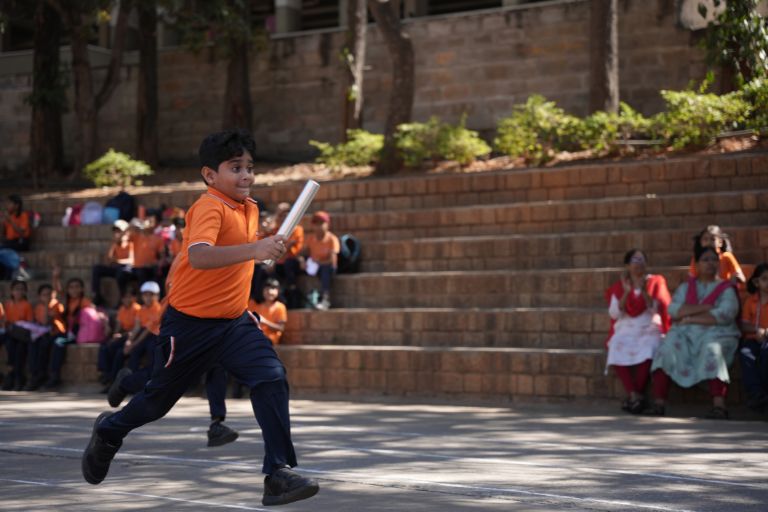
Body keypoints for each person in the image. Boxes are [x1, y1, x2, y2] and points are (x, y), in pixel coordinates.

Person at [82, 129, 319, 506]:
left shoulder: (250, 207)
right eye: (235, 168)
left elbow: (240, 257)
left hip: (233, 322)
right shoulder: (209, 206)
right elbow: (200, 256)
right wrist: (256, 248)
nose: (246, 176)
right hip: (189, 324)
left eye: (250, 168)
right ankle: (110, 430)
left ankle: (277, 474)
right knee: (157, 402)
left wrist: (265, 249)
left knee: (271, 377)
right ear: (210, 175)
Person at [649, 245, 741, 419]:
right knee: (666, 348)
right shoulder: (686, 288)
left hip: (717, 331)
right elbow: (673, 310)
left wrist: (691, 317)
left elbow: (725, 314)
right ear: (697, 264)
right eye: (705, 260)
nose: (710, 263)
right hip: (685, 332)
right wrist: (705, 307)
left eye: (714, 260)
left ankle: (719, 405)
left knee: (712, 349)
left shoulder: (726, 288)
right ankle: (659, 402)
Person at [605, 249, 671, 414]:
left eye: (642, 260)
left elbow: (658, 307)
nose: (639, 263)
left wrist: (644, 291)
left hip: (649, 325)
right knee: (616, 346)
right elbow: (615, 313)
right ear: (627, 265)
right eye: (635, 260)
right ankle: (634, 395)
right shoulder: (619, 287)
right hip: (626, 326)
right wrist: (627, 292)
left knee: (650, 348)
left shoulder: (655, 282)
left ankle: (636, 397)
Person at [44, 271, 92, 389]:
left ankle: (55, 376)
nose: (74, 290)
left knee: (58, 343)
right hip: (66, 332)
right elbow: (57, 292)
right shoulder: (67, 301)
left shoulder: (85, 302)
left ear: (82, 289)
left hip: (77, 334)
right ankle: (41, 374)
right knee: (45, 341)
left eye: (77, 287)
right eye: (71, 287)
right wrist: (55, 277)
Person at [22, 284, 65, 391]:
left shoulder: (57, 305)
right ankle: (35, 375)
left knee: (49, 345)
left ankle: (51, 376)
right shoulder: (37, 308)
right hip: (44, 334)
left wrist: (47, 306)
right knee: (33, 346)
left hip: (58, 333)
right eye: (44, 295)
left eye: (49, 294)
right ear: (39, 296)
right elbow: (40, 323)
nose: (47, 297)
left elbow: (47, 321)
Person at [738, 263, 768, 412]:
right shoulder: (751, 301)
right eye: (765, 279)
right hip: (753, 338)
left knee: (766, 353)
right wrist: (758, 331)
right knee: (746, 354)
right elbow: (744, 325)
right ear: (756, 282)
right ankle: (756, 394)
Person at [97, 289, 141, 390]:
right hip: (123, 336)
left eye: (129, 297)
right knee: (104, 348)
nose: (126, 299)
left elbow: (135, 329)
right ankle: (105, 374)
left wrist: (121, 336)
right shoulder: (122, 309)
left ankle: (110, 379)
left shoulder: (137, 309)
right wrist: (116, 334)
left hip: (132, 337)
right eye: (124, 297)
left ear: (134, 298)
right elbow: (118, 325)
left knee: (118, 353)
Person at [91, 219, 134, 307]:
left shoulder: (131, 243)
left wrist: (118, 261)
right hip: (116, 268)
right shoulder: (115, 244)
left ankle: (122, 300)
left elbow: (131, 260)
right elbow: (109, 260)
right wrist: (114, 244)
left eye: (119, 231)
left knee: (121, 274)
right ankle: (97, 296)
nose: (117, 233)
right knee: (97, 269)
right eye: (115, 231)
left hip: (126, 269)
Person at [302, 210, 339, 311]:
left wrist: (318, 263)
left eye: (321, 223)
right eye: (316, 224)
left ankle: (325, 299)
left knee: (326, 270)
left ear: (327, 224)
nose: (318, 226)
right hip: (315, 266)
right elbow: (302, 253)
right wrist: (302, 261)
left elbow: (332, 261)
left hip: (326, 266)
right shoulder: (310, 239)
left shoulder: (332, 239)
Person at [1, 279, 33, 390]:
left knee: (19, 350)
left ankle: (18, 377)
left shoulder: (27, 305)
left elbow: (29, 322)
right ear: (11, 291)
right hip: (11, 333)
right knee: (10, 346)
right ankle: (11, 376)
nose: (19, 292)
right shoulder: (8, 304)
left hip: (22, 335)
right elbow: (5, 321)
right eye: (16, 289)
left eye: (21, 289)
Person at [272, 203, 304, 309]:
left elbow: (293, 248)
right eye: (281, 215)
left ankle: (292, 296)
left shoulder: (297, 229)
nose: (284, 218)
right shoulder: (276, 230)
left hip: (291, 262)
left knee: (288, 266)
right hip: (279, 262)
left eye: (286, 215)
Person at [249, 278, 288, 346]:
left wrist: (264, 321)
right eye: (267, 289)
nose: (270, 292)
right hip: (252, 336)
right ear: (262, 290)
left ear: (278, 291)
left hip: (269, 339)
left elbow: (281, 328)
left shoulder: (280, 307)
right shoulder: (253, 303)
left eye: (273, 289)